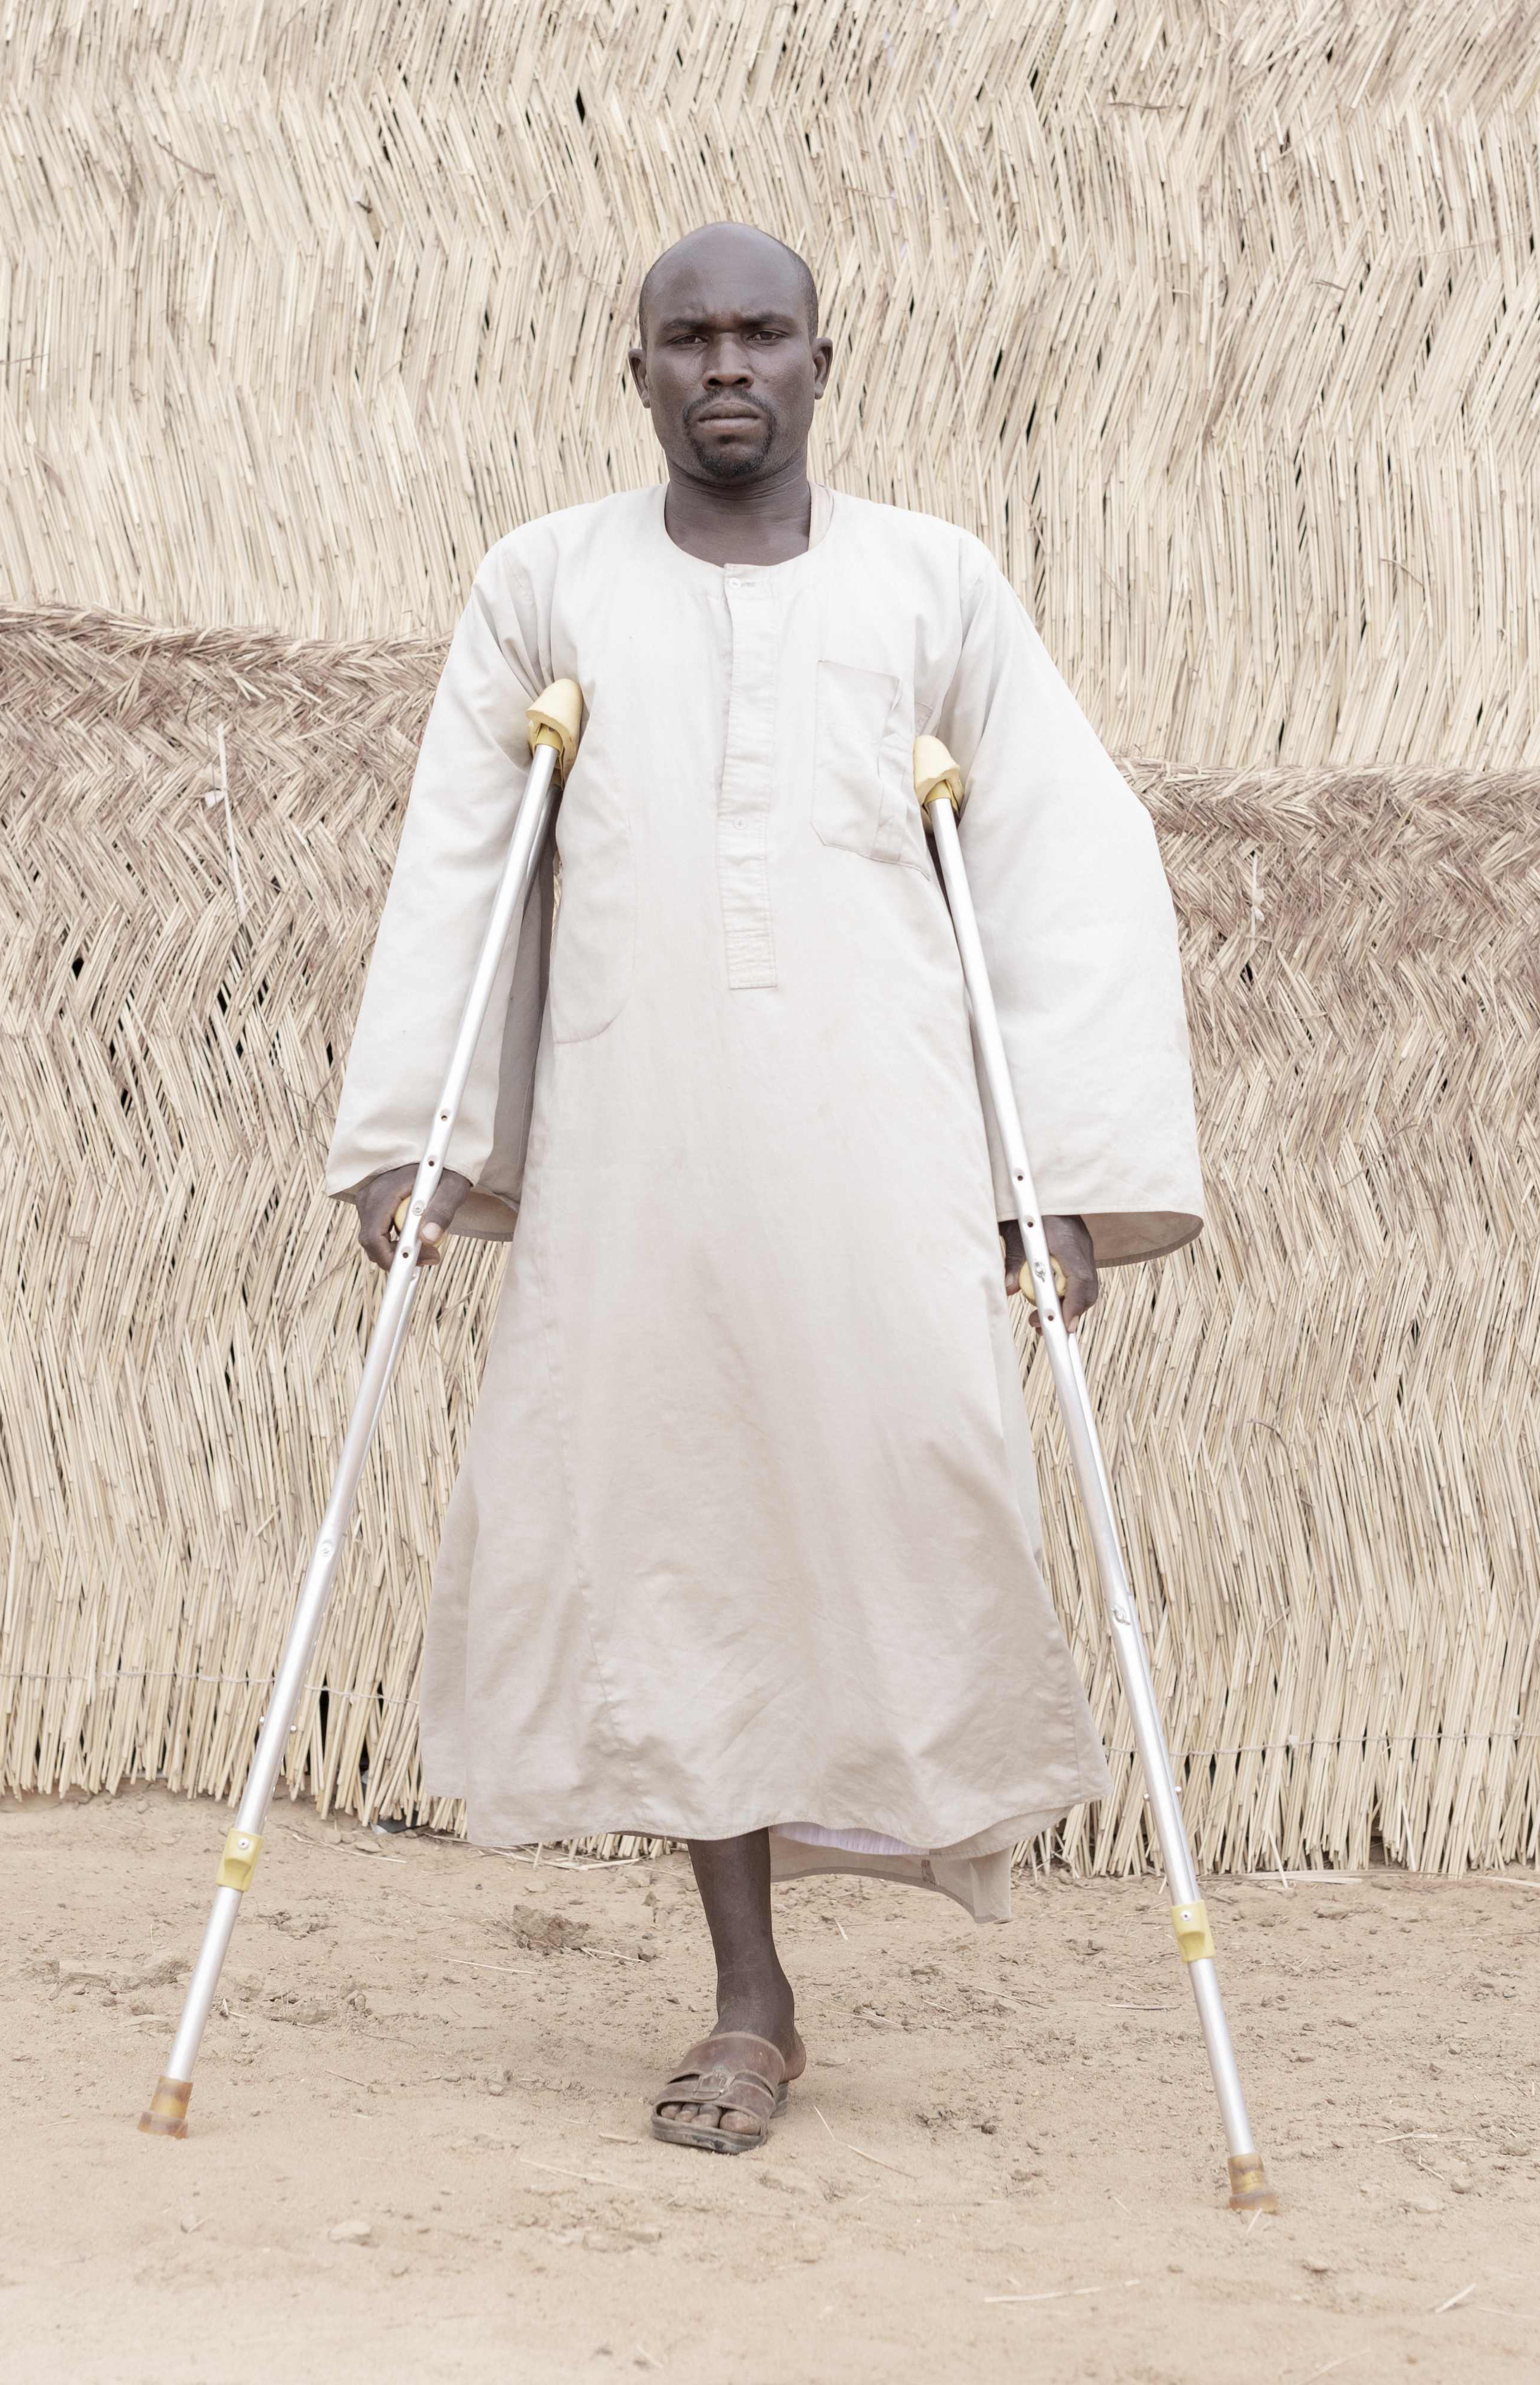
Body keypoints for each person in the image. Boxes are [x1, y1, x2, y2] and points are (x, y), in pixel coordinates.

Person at [324, 222, 1203, 2155]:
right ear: (633, 369)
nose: (727, 366)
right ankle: (748, 1998)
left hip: (882, 1138)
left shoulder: (934, 585)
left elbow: (1065, 868)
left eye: (762, 335)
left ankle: (889, 1843)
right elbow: (462, 861)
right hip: (642, 1138)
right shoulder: (544, 584)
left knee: (907, 1484)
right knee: (678, 1532)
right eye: (688, 337)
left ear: (826, 357)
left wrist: (1053, 1176)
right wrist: (421, 1128)